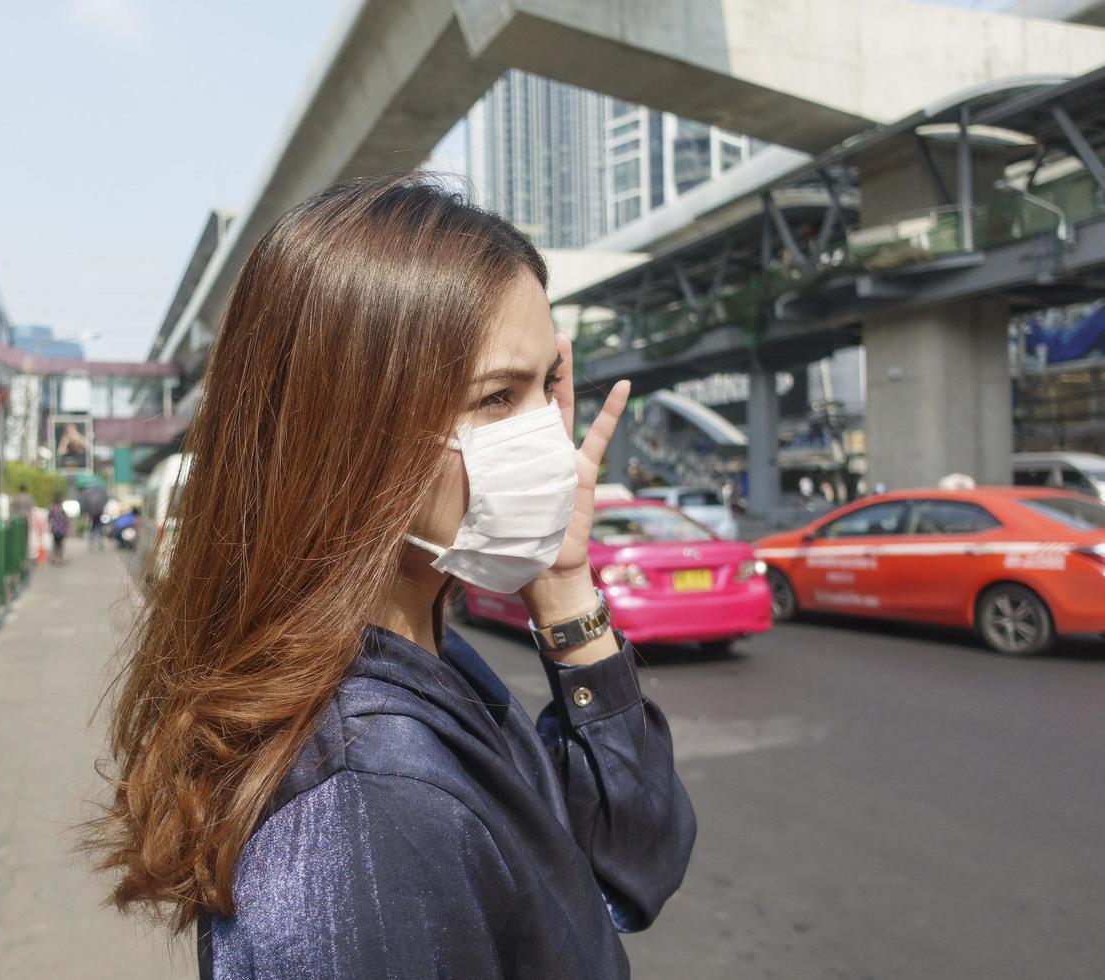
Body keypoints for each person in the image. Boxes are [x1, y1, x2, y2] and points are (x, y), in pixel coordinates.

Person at [88, 175, 695, 978]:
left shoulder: (425, 661)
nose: (546, 435)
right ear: (353, 431)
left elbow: (627, 869)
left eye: (546, 386)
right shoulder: (361, 803)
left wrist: (562, 583)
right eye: (496, 398)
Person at [47, 500, 68, 565]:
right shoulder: (62, 510)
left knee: (55, 544)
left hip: (55, 529)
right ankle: (60, 558)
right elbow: (66, 520)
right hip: (62, 529)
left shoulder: (52, 510)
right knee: (61, 544)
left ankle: (55, 558)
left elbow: (49, 520)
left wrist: (49, 528)